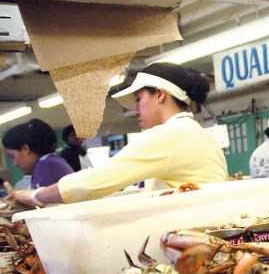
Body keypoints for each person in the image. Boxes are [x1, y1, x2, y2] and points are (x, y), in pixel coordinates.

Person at [7, 62, 229, 207]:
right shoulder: (197, 133)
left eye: (139, 100)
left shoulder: (168, 135)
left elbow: (91, 182)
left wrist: (33, 196)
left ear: (160, 94)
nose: (135, 111)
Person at [2, 118, 74, 190]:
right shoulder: (52, 162)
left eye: (13, 156)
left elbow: (36, 199)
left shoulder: (46, 166)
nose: (15, 164)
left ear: (25, 148)